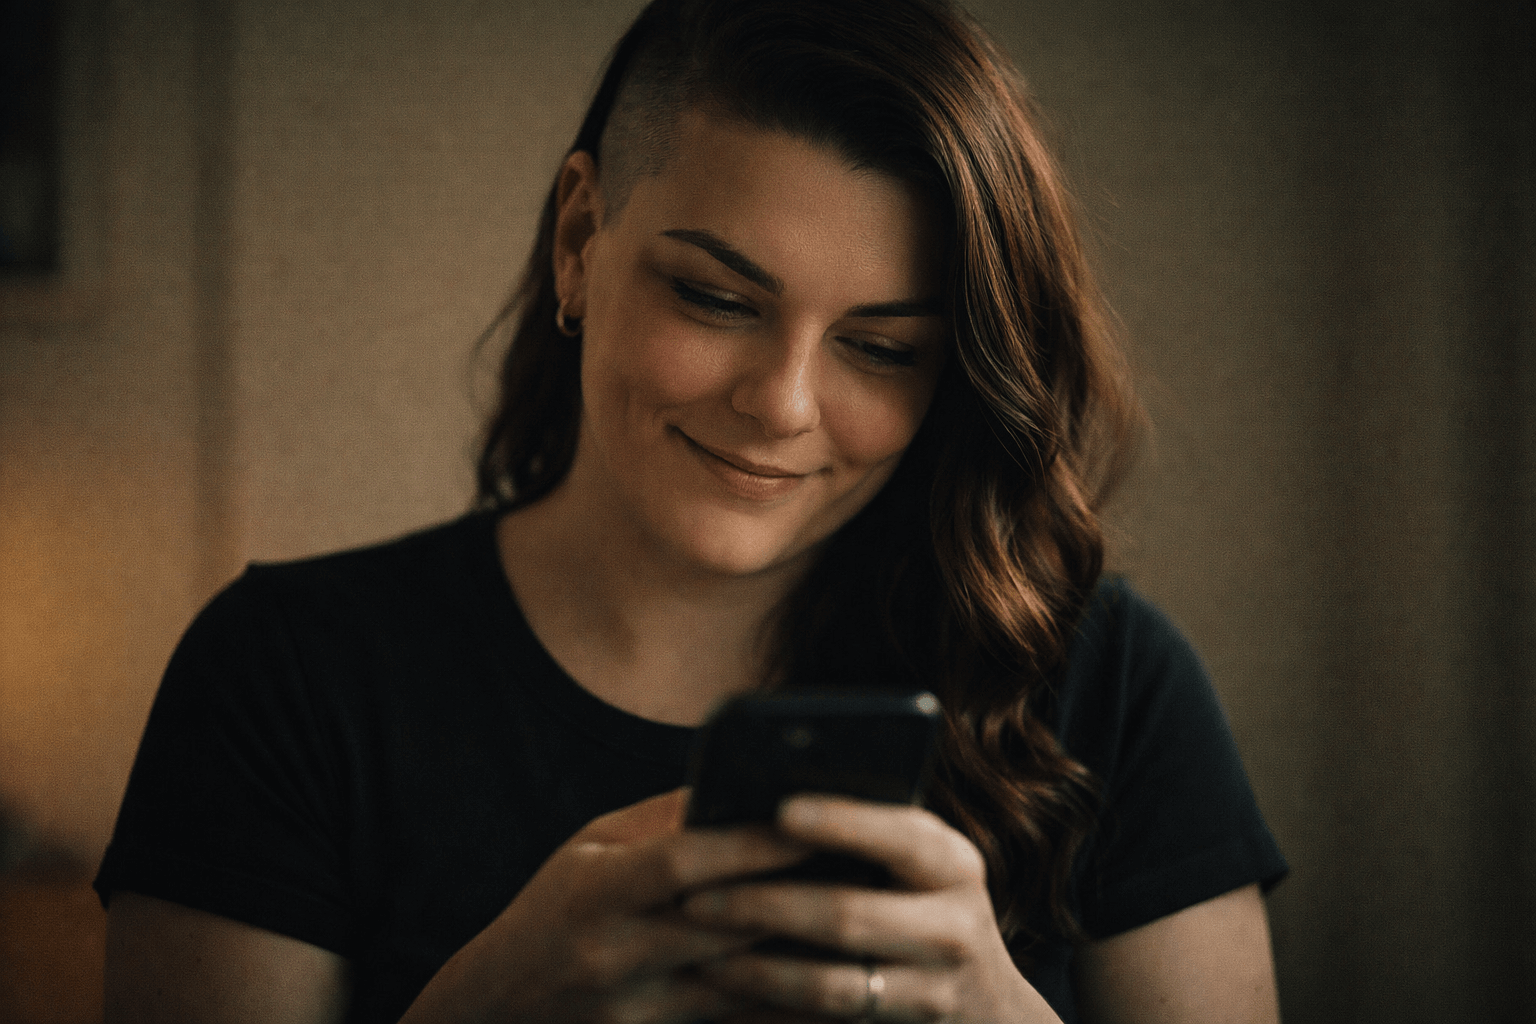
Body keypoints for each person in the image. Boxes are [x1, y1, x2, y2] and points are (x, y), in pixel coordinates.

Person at [94, 0, 1287, 1021]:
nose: (781, 402)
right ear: (579, 240)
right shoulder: (284, 677)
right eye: (716, 297)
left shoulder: (1110, 687)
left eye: (880, 347)